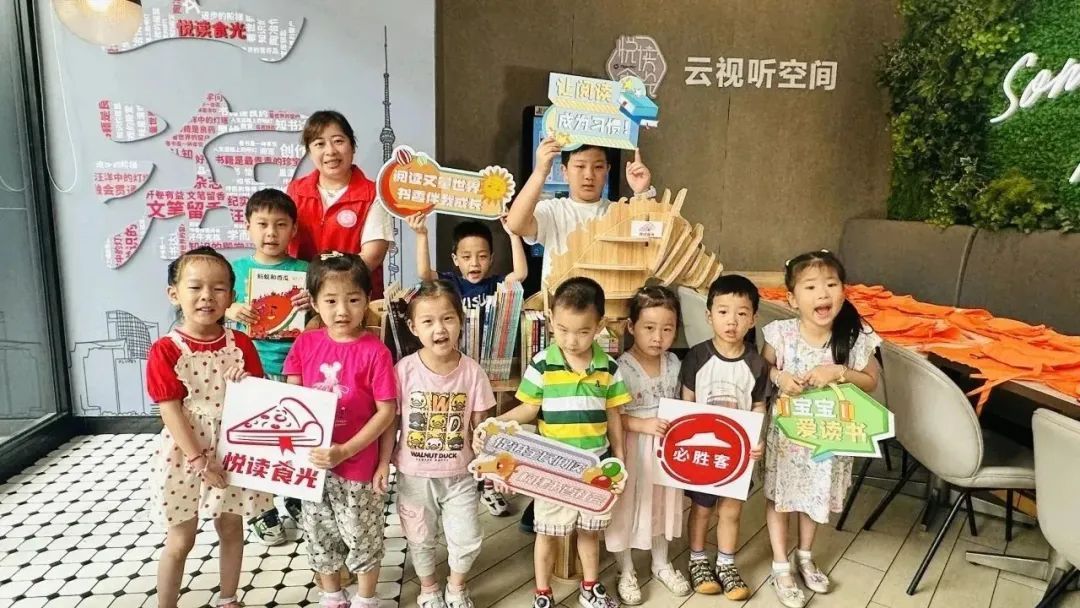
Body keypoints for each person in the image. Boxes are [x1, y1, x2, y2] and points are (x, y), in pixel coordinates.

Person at [475, 277, 630, 608]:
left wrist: (620, 458)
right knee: (546, 532)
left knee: (589, 532)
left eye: (583, 331)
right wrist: (496, 426)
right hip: (552, 467)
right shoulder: (543, 363)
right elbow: (529, 409)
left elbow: (614, 415)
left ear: (599, 325)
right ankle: (543, 592)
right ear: (550, 320)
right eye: (562, 330)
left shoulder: (608, 367)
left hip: (595, 468)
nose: (571, 340)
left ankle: (590, 587)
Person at [145, 246, 273, 608]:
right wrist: (199, 460)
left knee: (231, 526)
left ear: (231, 297)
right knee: (181, 538)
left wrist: (246, 381)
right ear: (174, 293)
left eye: (218, 288)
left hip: (232, 447)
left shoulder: (240, 343)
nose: (207, 296)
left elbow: (258, 396)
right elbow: (170, 410)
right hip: (185, 452)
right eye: (195, 287)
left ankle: (228, 598)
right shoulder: (166, 349)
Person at [762, 250, 882, 608]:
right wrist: (779, 377)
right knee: (781, 497)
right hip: (787, 437)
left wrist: (839, 372)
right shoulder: (780, 334)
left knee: (814, 496)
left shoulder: (856, 336)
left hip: (828, 438)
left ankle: (805, 556)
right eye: (811, 287)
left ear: (843, 290)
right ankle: (780, 565)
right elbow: (761, 370)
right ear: (792, 298)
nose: (823, 294)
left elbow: (871, 382)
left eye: (831, 284)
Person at [282, 252, 398, 608]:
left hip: (358, 467)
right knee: (319, 534)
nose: (342, 310)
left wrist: (372, 459)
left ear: (367, 300)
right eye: (330, 301)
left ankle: (365, 598)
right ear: (314, 302)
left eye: (353, 299)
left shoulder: (376, 352)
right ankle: (332, 595)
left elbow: (387, 413)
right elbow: (291, 401)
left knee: (363, 535)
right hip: (313, 466)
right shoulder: (305, 344)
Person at [406, 213, 526, 516]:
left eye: (482, 256)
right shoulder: (452, 284)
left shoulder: (496, 285)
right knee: (458, 425)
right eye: (467, 256)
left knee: (487, 426)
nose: (475, 263)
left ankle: (488, 482)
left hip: (489, 368)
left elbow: (521, 274)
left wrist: (513, 234)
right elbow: (424, 274)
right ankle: (459, 478)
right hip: (457, 370)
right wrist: (421, 235)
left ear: (491, 259)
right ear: (455, 259)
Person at [390, 280, 495, 608]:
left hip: (460, 475)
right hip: (414, 475)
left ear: (461, 321)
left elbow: (483, 424)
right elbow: (390, 421)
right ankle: (429, 587)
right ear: (413, 327)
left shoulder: (473, 372)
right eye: (428, 321)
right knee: (419, 535)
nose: (439, 328)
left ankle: (456, 586)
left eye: (448, 318)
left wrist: (489, 458)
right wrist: (381, 462)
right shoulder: (403, 371)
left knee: (467, 536)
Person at [224, 188, 310, 545]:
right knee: (256, 440)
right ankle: (261, 509)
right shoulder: (236, 271)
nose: (271, 233)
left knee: (293, 437)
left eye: (280, 224)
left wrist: (313, 305)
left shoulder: (305, 271)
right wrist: (230, 309)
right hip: (249, 369)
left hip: (295, 369)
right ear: (247, 227)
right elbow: (212, 309)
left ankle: (295, 496)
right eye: (262, 224)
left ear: (294, 230)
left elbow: (321, 318)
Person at [678, 275, 770, 600]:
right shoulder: (696, 357)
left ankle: (727, 564)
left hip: (738, 454)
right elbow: (687, 403)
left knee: (731, 510)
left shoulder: (757, 363)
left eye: (742, 313)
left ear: (753, 319)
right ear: (709, 315)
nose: (732, 321)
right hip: (703, 452)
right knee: (701, 508)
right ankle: (697, 559)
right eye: (723, 312)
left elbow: (758, 405)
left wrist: (756, 439)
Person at [605, 286, 691, 605]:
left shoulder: (675, 363)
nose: (658, 337)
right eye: (649, 328)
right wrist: (642, 425)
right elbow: (613, 414)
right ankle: (625, 568)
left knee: (661, 503)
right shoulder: (620, 368)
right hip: (633, 449)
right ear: (631, 326)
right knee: (627, 506)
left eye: (667, 329)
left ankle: (660, 563)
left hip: (666, 450)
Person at [505, 139, 654, 285]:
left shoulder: (620, 213)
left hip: (609, 300)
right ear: (564, 171)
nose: (589, 175)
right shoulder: (552, 210)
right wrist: (540, 172)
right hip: (560, 300)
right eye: (580, 166)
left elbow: (650, 246)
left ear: (607, 170)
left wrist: (642, 193)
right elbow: (516, 225)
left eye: (598, 167)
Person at [288, 110, 392, 300]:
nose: (330, 151)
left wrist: (324, 291)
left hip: (356, 300)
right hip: (302, 298)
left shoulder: (373, 194)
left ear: (353, 146)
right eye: (319, 144)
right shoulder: (296, 191)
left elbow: (372, 256)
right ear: (309, 152)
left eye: (338, 141)